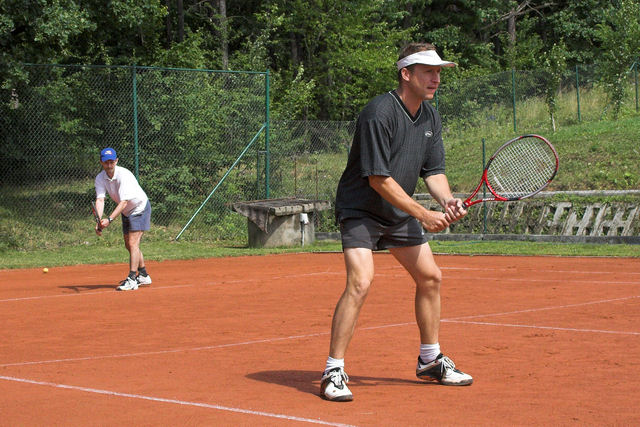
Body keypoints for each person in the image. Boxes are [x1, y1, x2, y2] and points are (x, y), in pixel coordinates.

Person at [320, 43, 472, 402]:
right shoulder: (379, 113)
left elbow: (433, 172)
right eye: (428, 71)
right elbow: (378, 178)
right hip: (361, 209)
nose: (436, 78)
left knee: (430, 277)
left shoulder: (430, 117)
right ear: (406, 74)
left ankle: (430, 360)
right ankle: (333, 370)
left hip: (397, 211)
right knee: (361, 282)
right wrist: (424, 214)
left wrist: (447, 201)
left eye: (438, 72)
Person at [94, 147, 152, 291]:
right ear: (101, 162)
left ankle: (132, 279)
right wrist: (99, 221)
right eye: (106, 162)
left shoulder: (124, 175)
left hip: (139, 207)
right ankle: (143, 275)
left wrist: (109, 219)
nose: (109, 165)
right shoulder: (100, 178)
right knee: (129, 245)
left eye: (111, 161)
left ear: (116, 161)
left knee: (133, 243)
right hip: (126, 211)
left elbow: (124, 202)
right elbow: (100, 200)